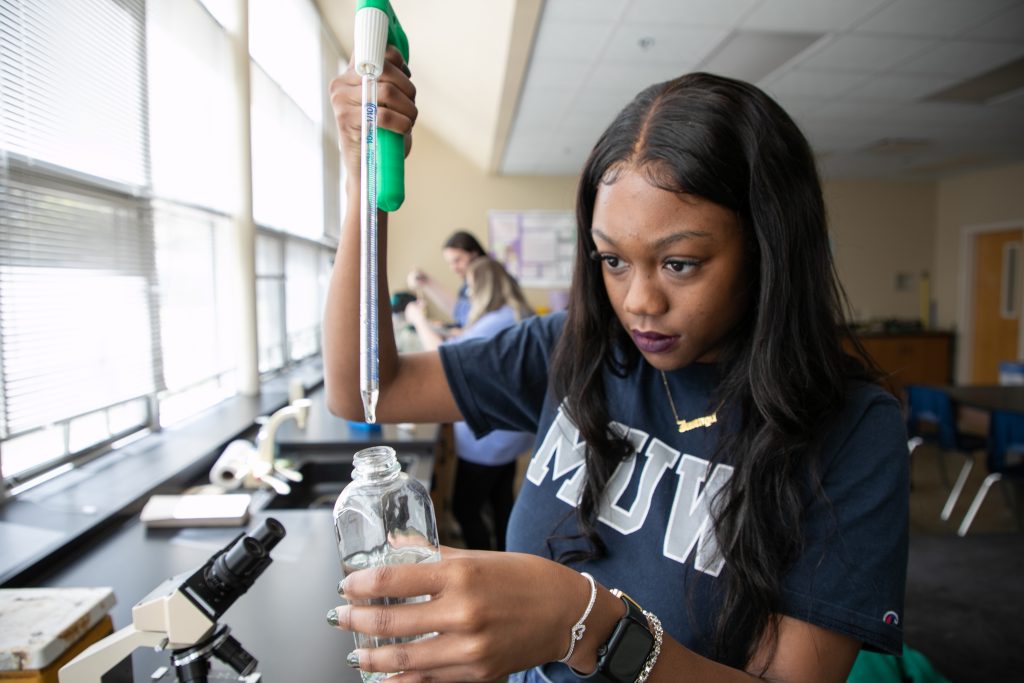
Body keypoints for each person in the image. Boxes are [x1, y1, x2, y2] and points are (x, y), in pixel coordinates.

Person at [324, 48, 909, 683]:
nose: (639, 303)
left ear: (768, 250)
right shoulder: (575, 348)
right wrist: (364, 182)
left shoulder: (853, 430)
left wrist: (588, 625)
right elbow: (366, 390)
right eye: (613, 261)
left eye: (679, 263)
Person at [404, 256, 536, 551]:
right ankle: (506, 558)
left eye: (471, 288)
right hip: (512, 434)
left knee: (466, 508)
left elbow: (441, 358)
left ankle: (485, 560)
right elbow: (470, 339)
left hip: (488, 440)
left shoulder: (495, 320)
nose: (469, 295)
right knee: (501, 501)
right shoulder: (515, 314)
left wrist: (418, 321)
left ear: (484, 287)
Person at [407, 230, 487, 333]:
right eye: (450, 263)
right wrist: (449, 327)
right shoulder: (466, 286)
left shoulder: (491, 281)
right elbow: (461, 314)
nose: (453, 268)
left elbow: (473, 319)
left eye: (457, 260)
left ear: (474, 254)